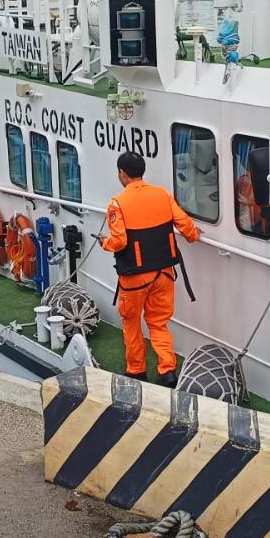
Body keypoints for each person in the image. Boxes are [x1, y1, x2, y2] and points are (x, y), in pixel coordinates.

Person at [99, 151, 199, 387]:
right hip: (164, 273)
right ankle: (167, 372)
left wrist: (104, 242)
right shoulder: (163, 195)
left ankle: (136, 371)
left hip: (134, 278)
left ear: (122, 174)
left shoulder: (117, 203)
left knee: (132, 323)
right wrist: (194, 236)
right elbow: (185, 225)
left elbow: (120, 241)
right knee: (158, 323)